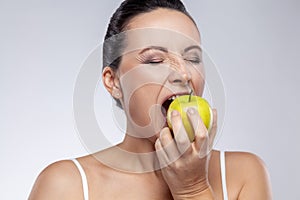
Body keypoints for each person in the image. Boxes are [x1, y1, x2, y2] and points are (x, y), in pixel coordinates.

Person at [29, 0, 272, 199]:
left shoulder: (244, 174)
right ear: (113, 82)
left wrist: (193, 189)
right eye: (155, 60)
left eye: (193, 58)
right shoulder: (65, 186)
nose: (184, 74)